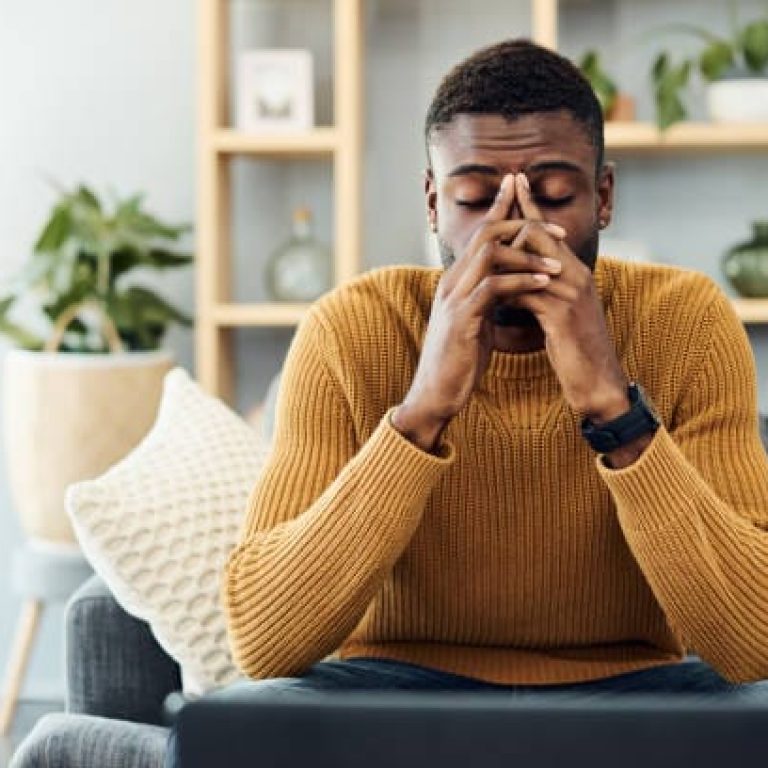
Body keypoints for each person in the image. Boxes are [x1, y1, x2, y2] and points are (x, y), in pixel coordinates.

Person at [12, 38, 768, 768]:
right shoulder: (351, 329)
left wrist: (612, 403)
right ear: (434, 203)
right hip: (384, 692)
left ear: (602, 198)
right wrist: (422, 411)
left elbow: (752, 641)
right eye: (475, 198)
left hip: (634, 692)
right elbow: (265, 642)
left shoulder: (687, 322)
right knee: (233, 729)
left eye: (555, 195)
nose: (514, 231)